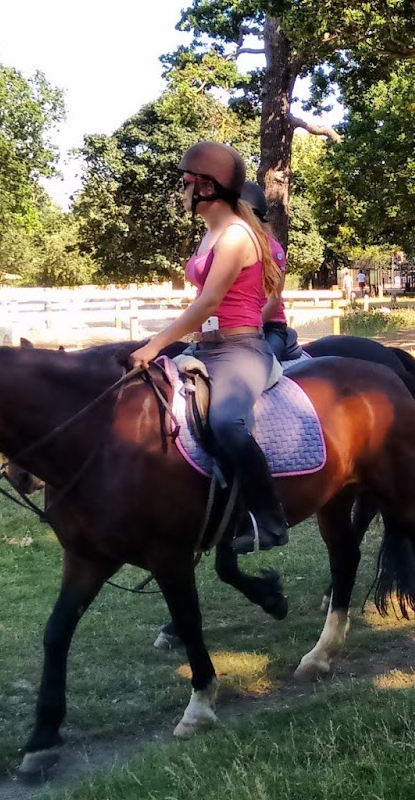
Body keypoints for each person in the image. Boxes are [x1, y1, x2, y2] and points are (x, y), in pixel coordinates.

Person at [128, 141, 289, 554]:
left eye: (187, 183)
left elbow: (209, 302)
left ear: (208, 186)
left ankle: (270, 521)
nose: (182, 191)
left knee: (226, 423)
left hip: (241, 348)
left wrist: (156, 343)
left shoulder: (235, 235)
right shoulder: (212, 231)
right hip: (207, 347)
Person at [240, 181, 306, 362]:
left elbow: (273, 301)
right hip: (235, 328)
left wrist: (246, 328)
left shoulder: (272, 249)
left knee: (257, 366)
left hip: (268, 326)